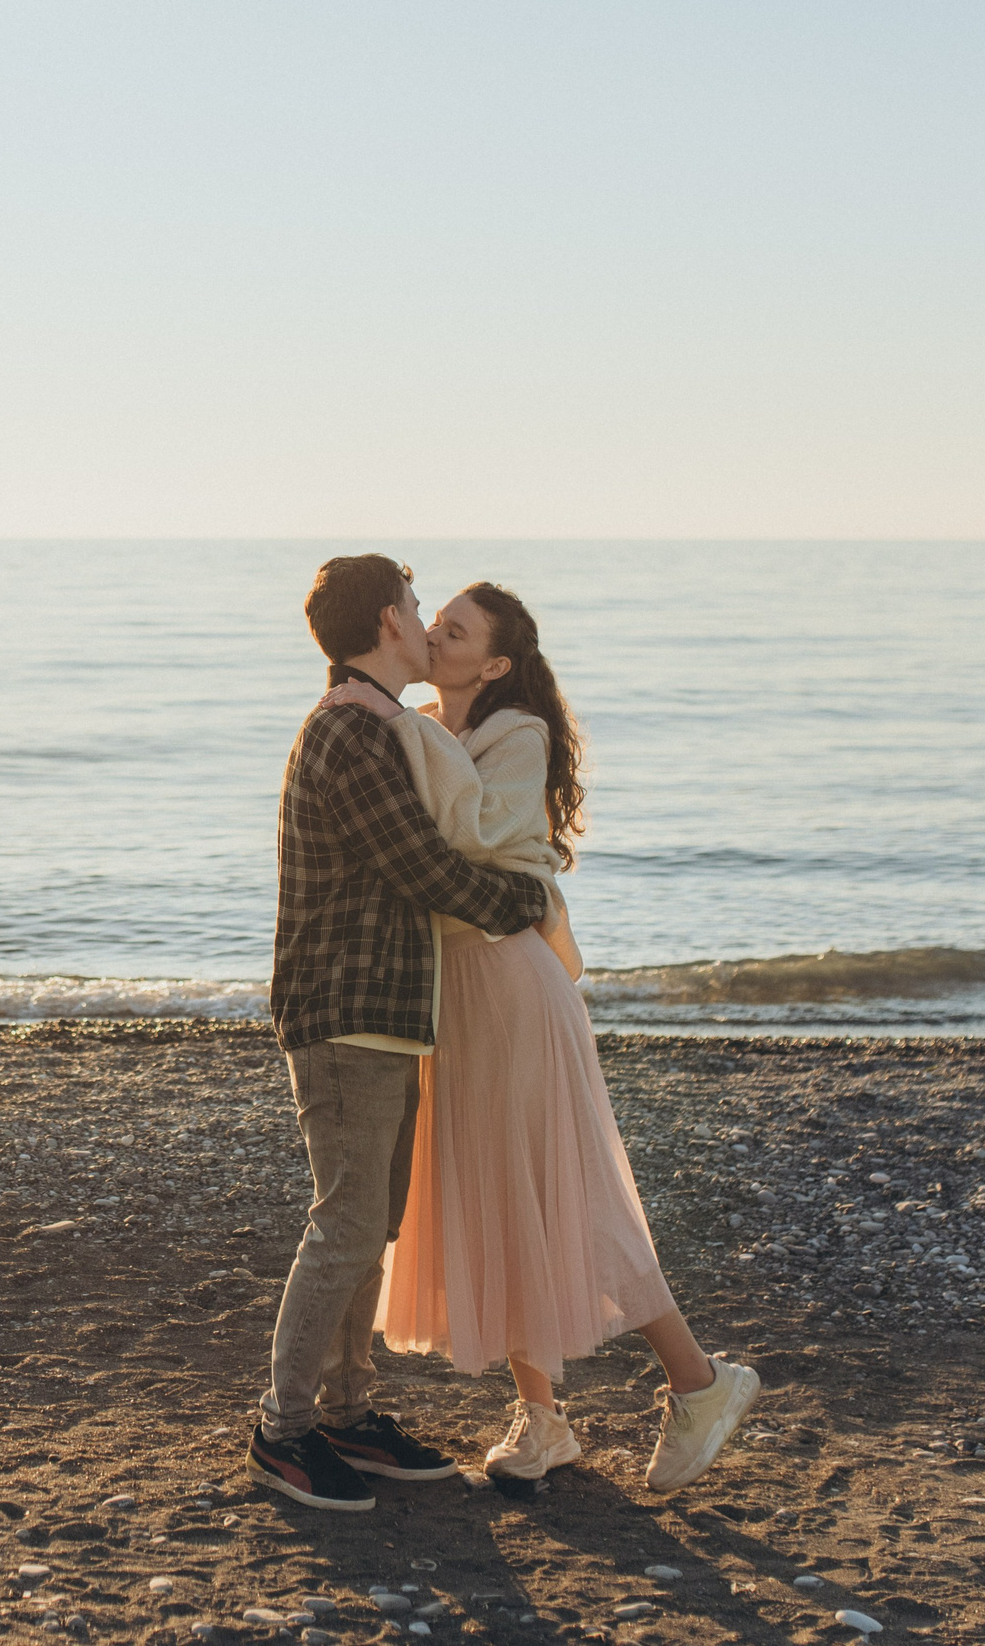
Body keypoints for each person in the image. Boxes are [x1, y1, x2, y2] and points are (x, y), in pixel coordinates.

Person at [322, 581, 761, 1494]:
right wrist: (400, 720)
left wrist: (393, 720)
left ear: (495, 664)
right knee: (499, 1192)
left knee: (566, 1187)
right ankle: (545, 1419)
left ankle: (700, 1380)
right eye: (431, 622)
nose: (433, 635)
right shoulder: (430, 728)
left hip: (510, 983)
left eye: (455, 630)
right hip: (462, 988)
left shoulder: (512, 733)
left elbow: (471, 833)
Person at [251, 555, 553, 1513]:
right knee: (345, 1223)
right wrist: (523, 900)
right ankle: (284, 1429)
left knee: (372, 1223)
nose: (428, 624)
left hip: (386, 1013)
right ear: (389, 619)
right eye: (420, 608)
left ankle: (347, 1410)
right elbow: (422, 865)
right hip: (344, 1014)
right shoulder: (349, 730)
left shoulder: (382, 726)